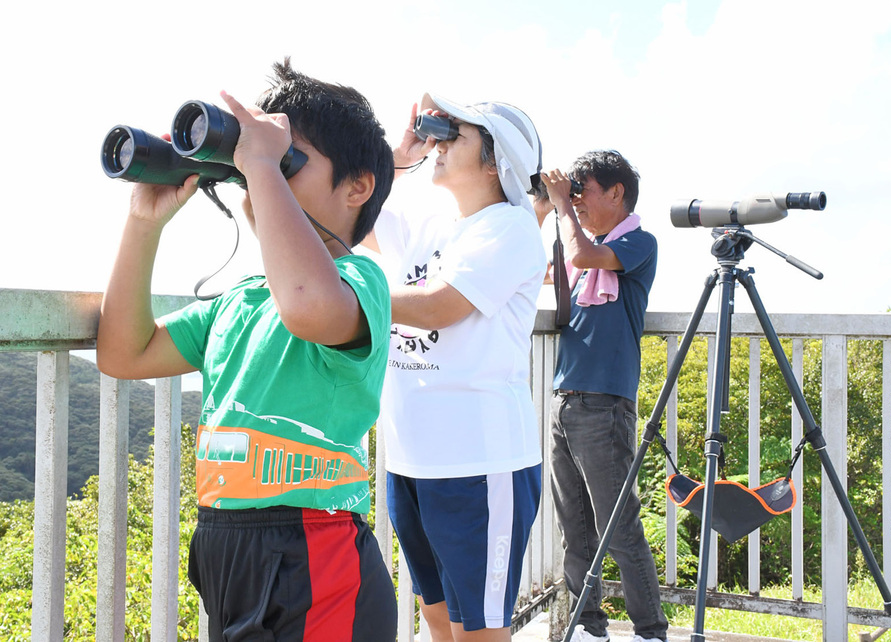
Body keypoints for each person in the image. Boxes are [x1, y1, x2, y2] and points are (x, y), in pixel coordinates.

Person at [96, 59, 397, 641]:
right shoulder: (237, 303)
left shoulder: (361, 283)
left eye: (288, 159)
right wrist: (144, 223)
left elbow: (308, 303)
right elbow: (123, 354)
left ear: (356, 186)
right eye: (257, 160)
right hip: (225, 548)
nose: (259, 174)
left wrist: (260, 163)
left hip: (315, 551)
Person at [363, 94, 547, 641]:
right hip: (412, 463)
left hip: (479, 465)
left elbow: (441, 305)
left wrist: (349, 297)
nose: (438, 143)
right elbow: (347, 214)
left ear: (496, 162)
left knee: (479, 632)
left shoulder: (509, 228)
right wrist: (396, 155)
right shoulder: (431, 227)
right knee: (437, 618)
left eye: (455, 136)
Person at [540, 151, 668, 642]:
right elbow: (542, 269)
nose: (577, 202)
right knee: (574, 525)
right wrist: (547, 206)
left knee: (618, 524)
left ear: (616, 193)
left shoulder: (639, 241)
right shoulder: (580, 243)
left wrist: (562, 210)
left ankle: (650, 631)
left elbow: (582, 257)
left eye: (584, 191)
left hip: (605, 402)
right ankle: (588, 627)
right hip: (564, 398)